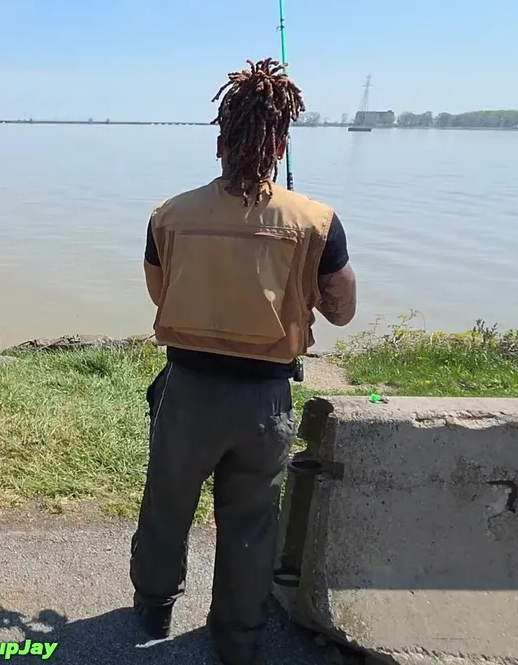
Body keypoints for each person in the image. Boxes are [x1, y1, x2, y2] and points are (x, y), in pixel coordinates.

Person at [130, 58, 358, 665]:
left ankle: (153, 607)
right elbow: (342, 310)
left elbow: (160, 293)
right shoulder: (316, 221)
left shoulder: (169, 215)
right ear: (280, 146)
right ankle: (238, 640)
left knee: (167, 504)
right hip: (265, 402)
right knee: (252, 523)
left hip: (187, 391)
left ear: (219, 144)